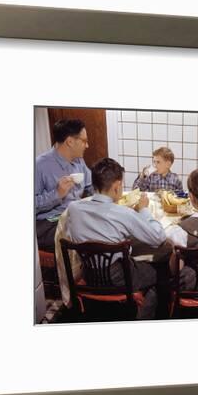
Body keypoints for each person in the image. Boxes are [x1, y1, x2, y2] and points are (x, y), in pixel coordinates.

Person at [66, 158, 167, 319]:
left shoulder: (73, 209)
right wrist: (144, 210)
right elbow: (158, 238)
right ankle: (144, 317)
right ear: (116, 186)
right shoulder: (124, 214)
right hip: (117, 277)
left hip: (89, 274)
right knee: (159, 271)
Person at [35, 119, 93, 251]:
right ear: (70, 142)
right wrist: (57, 194)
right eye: (84, 141)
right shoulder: (39, 165)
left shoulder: (79, 161)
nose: (87, 145)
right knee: (85, 237)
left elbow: (91, 187)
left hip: (74, 216)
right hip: (49, 224)